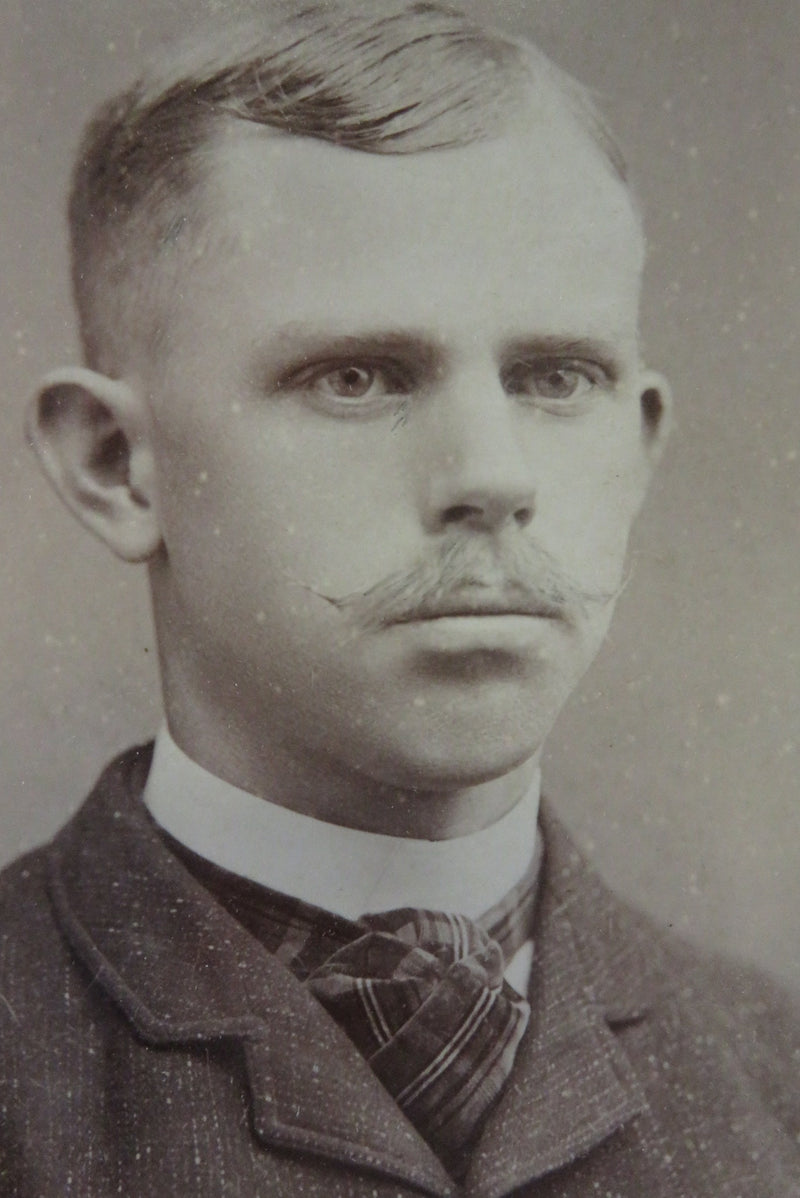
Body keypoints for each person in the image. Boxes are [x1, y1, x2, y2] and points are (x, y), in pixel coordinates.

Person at [1, 2, 797, 1194]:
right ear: (116, 464)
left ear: (635, 449)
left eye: (555, 377)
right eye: (357, 377)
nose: (491, 475)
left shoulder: (771, 1071)